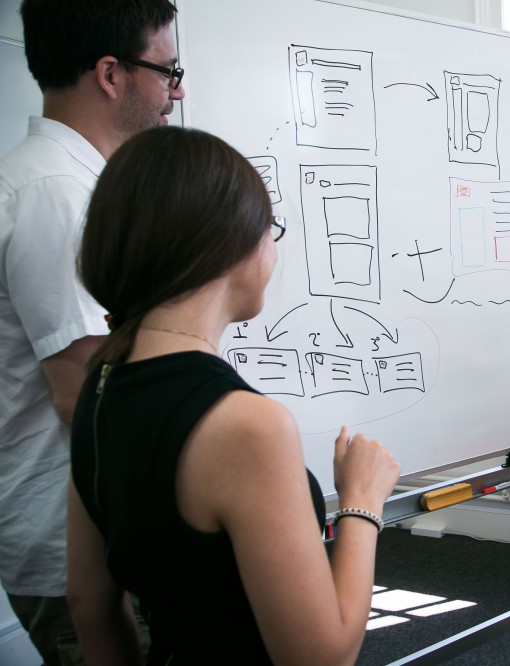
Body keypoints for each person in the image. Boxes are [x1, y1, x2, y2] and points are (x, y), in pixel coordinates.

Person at [67, 125, 402, 665]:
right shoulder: (246, 424)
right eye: (270, 229)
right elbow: (323, 657)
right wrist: (362, 502)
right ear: (227, 243)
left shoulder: (100, 384)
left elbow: (90, 605)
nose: (273, 248)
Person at [0, 0, 184, 661]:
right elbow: (85, 393)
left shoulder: (79, 184)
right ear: (111, 73)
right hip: (82, 547)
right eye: (167, 70)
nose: (177, 90)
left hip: (101, 529)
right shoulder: (56, 192)